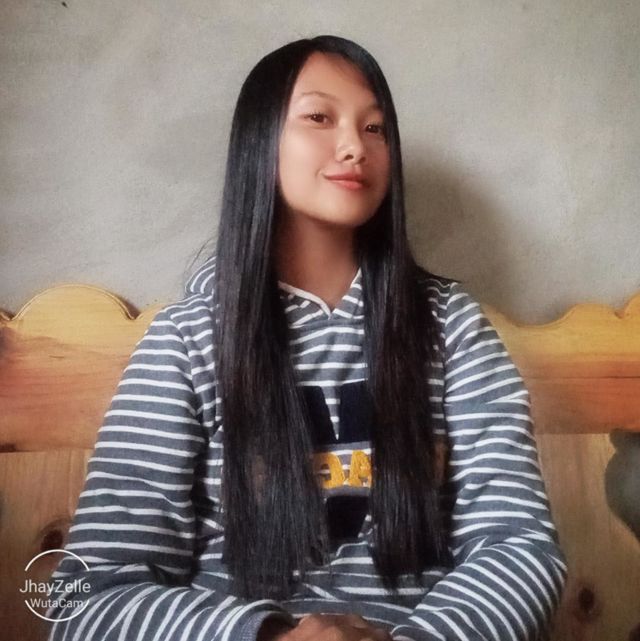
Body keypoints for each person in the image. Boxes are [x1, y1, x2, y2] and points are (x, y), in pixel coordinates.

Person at [46, 35, 567, 641]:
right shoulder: (187, 342)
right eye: (320, 117)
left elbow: (518, 546)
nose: (355, 146)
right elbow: (87, 598)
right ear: (260, 141)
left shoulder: (451, 329)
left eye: (375, 128)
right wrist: (268, 636)